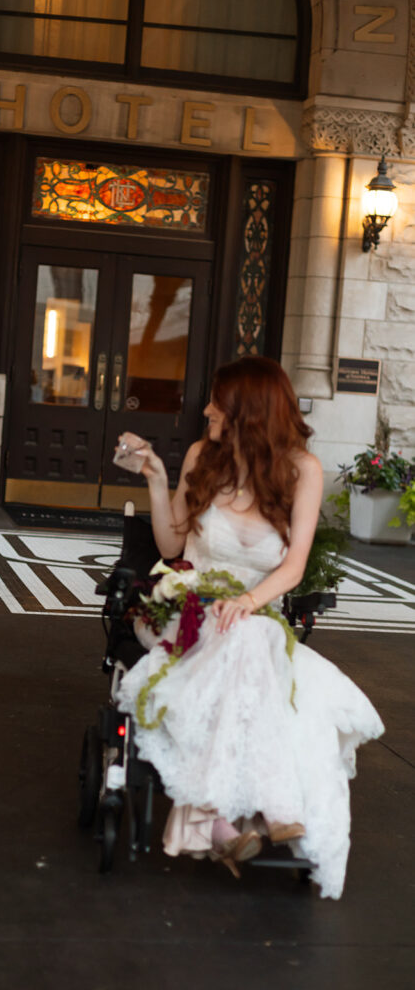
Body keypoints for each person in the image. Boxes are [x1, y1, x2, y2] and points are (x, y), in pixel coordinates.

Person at [115, 356, 383, 899]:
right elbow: (170, 548)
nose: (208, 409)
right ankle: (277, 806)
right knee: (245, 634)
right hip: (186, 608)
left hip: (255, 613)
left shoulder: (303, 470)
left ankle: (213, 819)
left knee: (251, 632)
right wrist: (157, 478)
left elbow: (295, 565)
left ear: (248, 412)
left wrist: (248, 601)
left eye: (218, 402)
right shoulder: (201, 456)